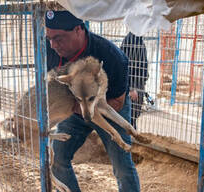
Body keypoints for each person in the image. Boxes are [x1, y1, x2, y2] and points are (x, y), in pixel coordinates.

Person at [45, 10, 140, 192]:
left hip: (109, 106)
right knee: (57, 156)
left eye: (59, 38)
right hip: (74, 108)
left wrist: (88, 110)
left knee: (122, 165)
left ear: (79, 30)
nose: (53, 44)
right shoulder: (49, 49)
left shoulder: (111, 56)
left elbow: (118, 103)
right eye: (49, 38)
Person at [120, 32, 149, 129]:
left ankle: (132, 133)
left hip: (138, 83)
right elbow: (126, 67)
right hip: (133, 85)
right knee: (130, 113)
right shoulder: (130, 41)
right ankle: (129, 136)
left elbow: (142, 64)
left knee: (134, 114)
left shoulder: (138, 40)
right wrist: (131, 88)